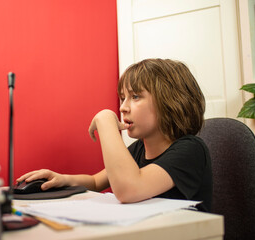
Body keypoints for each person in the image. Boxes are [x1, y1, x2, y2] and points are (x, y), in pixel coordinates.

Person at [16, 58, 212, 212]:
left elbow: (129, 189)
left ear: (170, 102)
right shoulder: (139, 149)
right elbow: (95, 182)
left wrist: (106, 119)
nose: (123, 107)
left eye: (135, 97)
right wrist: (63, 179)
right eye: (122, 98)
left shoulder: (191, 149)